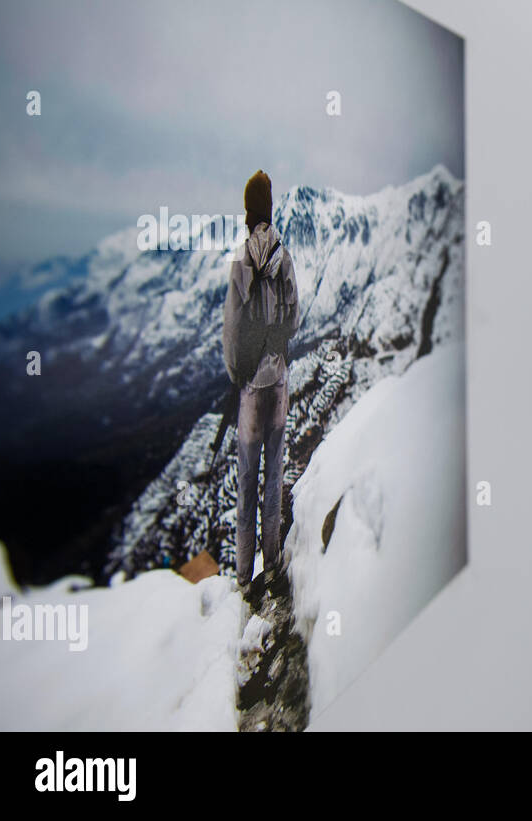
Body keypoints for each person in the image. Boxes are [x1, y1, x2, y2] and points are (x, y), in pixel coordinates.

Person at [222, 170, 299, 604]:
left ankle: (243, 577)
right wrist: (277, 347)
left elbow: (233, 330)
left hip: (252, 386)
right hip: (280, 382)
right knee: (274, 478)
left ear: (248, 211)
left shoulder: (240, 262)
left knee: (246, 482)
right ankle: (272, 567)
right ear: (269, 209)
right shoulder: (284, 258)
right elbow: (294, 318)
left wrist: (237, 373)